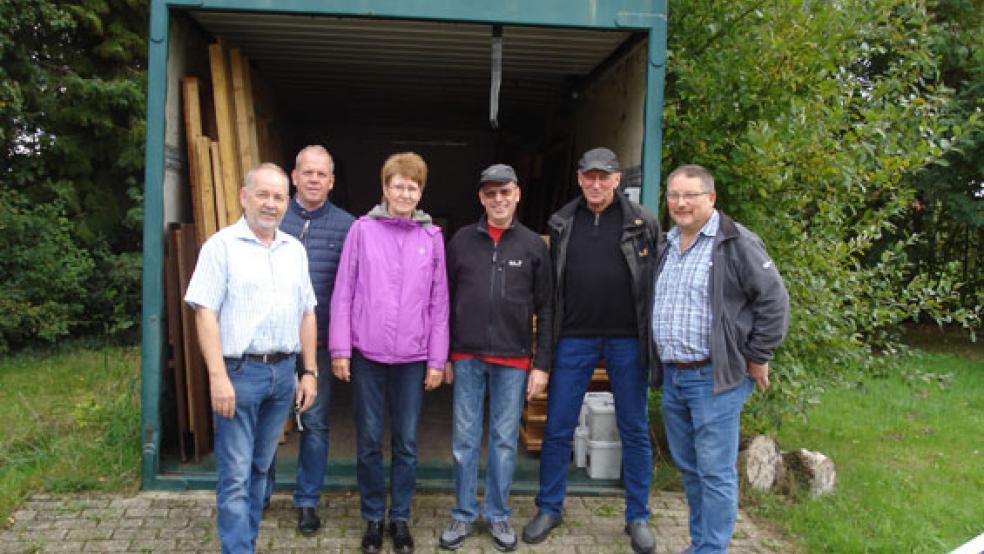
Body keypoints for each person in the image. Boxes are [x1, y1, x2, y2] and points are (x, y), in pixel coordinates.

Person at [522, 147, 660, 554]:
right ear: (579, 179)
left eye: (604, 177)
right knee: (558, 425)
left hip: (627, 339)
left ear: (617, 179)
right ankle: (549, 507)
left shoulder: (643, 222)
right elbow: (551, 290)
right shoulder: (563, 222)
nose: (596, 184)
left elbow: (654, 284)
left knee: (634, 428)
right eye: (589, 177)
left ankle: (638, 516)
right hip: (574, 338)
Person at [652, 165, 789, 554]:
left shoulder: (735, 242)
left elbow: (774, 301)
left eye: (690, 195)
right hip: (675, 377)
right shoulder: (668, 244)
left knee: (715, 473)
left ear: (710, 199)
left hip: (715, 377)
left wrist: (759, 356)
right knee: (692, 470)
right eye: (674, 195)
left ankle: (712, 549)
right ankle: (702, 543)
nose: (680, 203)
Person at [184, 163, 319, 554]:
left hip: (282, 374)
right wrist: (217, 376)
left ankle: (247, 541)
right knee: (236, 474)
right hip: (239, 374)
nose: (271, 204)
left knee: (261, 468)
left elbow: (307, 311)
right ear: (244, 197)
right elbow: (204, 311)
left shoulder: (294, 250)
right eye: (263, 194)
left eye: (279, 197)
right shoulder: (221, 247)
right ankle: (238, 548)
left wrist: (308, 371)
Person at [329, 152, 449, 554]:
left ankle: (399, 518)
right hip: (367, 354)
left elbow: (439, 303)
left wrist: (436, 359)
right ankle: (371, 518)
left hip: (413, 359)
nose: (404, 193)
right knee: (367, 441)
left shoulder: (432, 238)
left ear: (421, 192)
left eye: (412, 187)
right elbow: (344, 291)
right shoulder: (362, 231)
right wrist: (340, 348)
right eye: (397, 185)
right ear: (385, 188)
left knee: (406, 443)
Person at [439, 164, 553, 552]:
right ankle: (463, 513)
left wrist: (542, 364)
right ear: (481, 198)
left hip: (514, 358)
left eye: (505, 192)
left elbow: (548, 307)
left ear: (517, 194)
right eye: (491, 193)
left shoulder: (533, 245)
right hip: (467, 355)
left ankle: (499, 514)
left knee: (504, 441)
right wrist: (445, 356)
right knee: (464, 440)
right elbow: (442, 302)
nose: (498, 199)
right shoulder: (460, 241)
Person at [263, 146, 355, 534]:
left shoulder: (349, 227)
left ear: (331, 181)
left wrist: (341, 347)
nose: (315, 179)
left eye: (322, 174)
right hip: (273, 346)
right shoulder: (270, 219)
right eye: (308, 173)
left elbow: (352, 290)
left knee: (314, 426)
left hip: (317, 347)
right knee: (266, 425)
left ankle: (307, 502)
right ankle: (260, 494)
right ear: (294, 177)